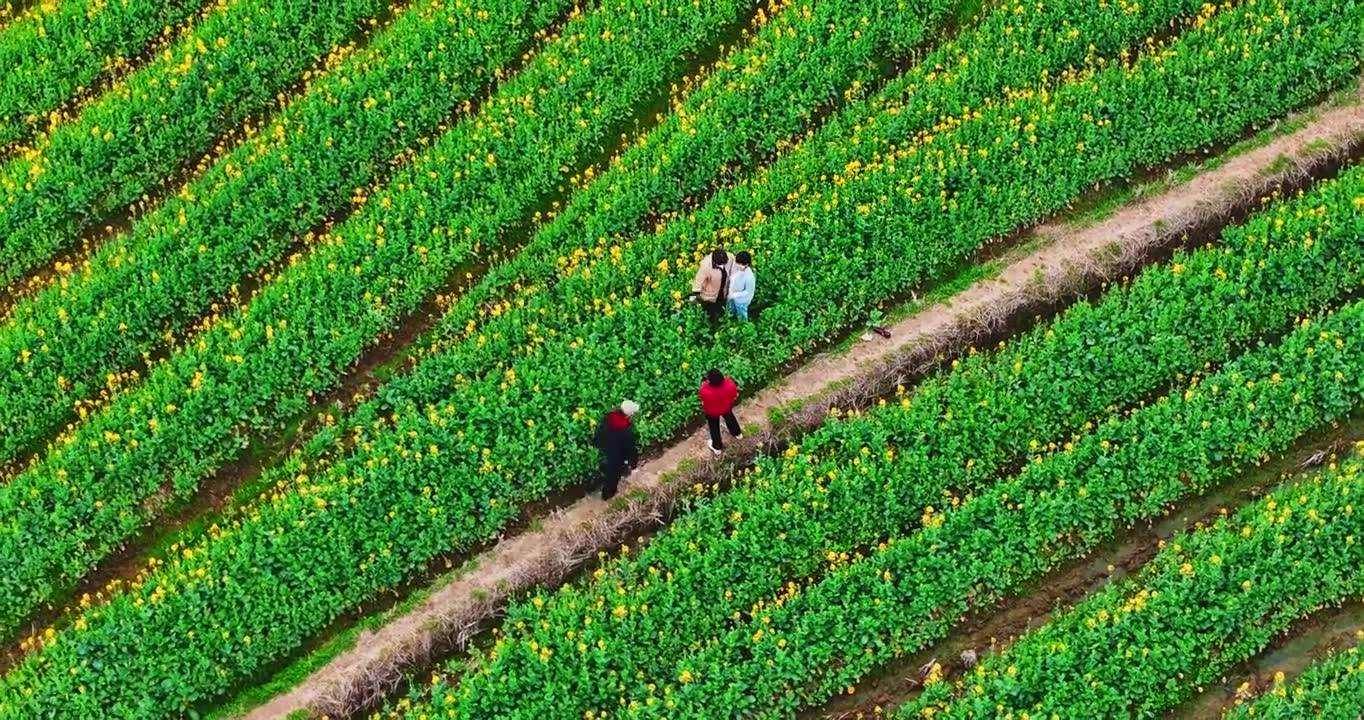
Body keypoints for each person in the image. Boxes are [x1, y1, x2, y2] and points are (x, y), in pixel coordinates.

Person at [591, 399, 639, 500]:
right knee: (613, 474)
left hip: (604, 445)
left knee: (607, 468)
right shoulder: (626, 431)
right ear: (628, 415)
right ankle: (608, 495)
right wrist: (633, 465)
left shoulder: (610, 416)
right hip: (616, 454)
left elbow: (600, 430)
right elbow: (631, 449)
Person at [698, 369, 742, 455]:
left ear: (710, 381)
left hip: (712, 412)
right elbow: (734, 395)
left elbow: (703, 400)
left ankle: (717, 447)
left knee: (714, 428)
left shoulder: (705, 391)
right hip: (726, 407)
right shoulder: (730, 385)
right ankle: (737, 434)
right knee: (730, 418)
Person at [690, 249, 734, 329]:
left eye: (724, 264)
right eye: (720, 265)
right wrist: (694, 296)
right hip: (710, 296)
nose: (723, 266)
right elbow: (698, 281)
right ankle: (712, 327)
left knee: (721, 309)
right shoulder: (706, 265)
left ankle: (721, 323)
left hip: (723, 291)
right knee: (711, 312)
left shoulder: (730, 257)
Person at [727, 250, 755, 321]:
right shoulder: (736, 268)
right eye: (737, 263)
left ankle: (743, 327)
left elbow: (748, 292)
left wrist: (733, 295)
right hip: (732, 296)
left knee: (741, 314)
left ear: (746, 265)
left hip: (742, 301)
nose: (737, 265)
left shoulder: (749, 276)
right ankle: (731, 322)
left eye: (740, 264)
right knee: (730, 310)